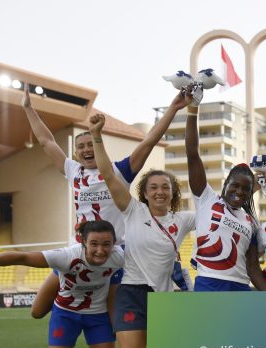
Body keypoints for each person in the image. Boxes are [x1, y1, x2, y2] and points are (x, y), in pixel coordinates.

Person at [23, 84, 193, 319]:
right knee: (37, 310)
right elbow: (46, 141)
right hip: (80, 250)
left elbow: (150, 140)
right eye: (80, 147)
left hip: (115, 253)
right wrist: (28, 108)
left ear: (100, 145)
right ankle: (75, 310)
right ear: (76, 154)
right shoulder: (73, 171)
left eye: (90, 144)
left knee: (116, 321)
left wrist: (173, 109)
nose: (86, 149)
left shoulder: (120, 171)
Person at [90, 113, 196, 348]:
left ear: (173, 192)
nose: (160, 192)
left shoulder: (183, 219)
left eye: (166, 187)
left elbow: (219, 210)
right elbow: (108, 174)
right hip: (132, 295)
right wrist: (96, 136)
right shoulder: (132, 211)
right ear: (145, 193)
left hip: (166, 301)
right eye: (154, 187)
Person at [185, 103, 266, 291]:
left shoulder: (251, 222)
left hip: (240, 287)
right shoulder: (207, 199)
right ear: (225, 185)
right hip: (209, 282)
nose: (239, 191)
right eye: (235, 186)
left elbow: (253, 268)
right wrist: (192, 110)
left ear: (251, 192)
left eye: (246, 189)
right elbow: (192, 154)